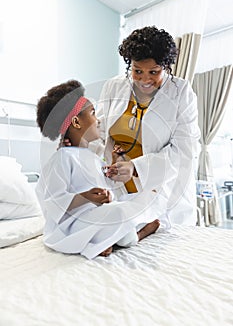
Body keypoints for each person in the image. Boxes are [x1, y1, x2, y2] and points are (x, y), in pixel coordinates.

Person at [35, 80, 162, 260]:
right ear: (76, 122)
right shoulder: (62, 158)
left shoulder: (93, 157)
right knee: (118, 213)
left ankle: (108, 239)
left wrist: (114, 169)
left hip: (99, 214)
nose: (98, 119)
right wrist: (84, 197)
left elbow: (104, 184)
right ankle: (137, 235)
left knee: (145, 198)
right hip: (75, 222)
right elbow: (52, 201)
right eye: (93, 113)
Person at [93, 25, 200, 229]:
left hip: (162, 193)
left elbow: (185, 151)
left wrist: (136, 168)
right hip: (119, 188)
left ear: (166, 67)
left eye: (154, 72)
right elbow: (99, 133)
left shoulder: (181, 92)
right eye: (137, 71)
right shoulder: (113, 86)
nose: (144, 79)